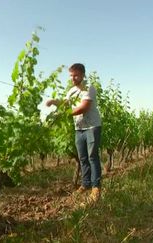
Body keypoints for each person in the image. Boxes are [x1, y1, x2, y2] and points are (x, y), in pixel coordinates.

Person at [46, 63, 102, 203]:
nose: (73, 78)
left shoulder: (89, 88)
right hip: (79, 128)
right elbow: (65, 103)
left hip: (92, 126)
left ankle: (96, 188)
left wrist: (65, 115)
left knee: (92, 157)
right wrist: (54, 102)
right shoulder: (71, 91)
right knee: (83, 158)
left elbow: (84, 107)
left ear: (83, 74)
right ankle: (85, 184)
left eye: (76, 75)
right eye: (71, 75)